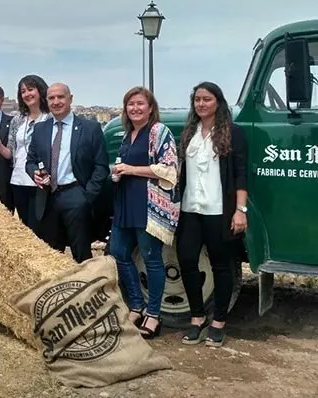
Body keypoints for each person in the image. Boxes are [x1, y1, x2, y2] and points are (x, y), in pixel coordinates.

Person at [177, 82, 248, 347]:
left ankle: (218, 321)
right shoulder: (189, 134)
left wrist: (240, 211)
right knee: (186, 260)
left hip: (219, 210)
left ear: (218, 102)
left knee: (221, 265)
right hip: (190, 208)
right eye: (197, 100)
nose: (201, 104)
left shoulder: (232, 133)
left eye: (206, 99)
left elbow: (241, 174)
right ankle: (197, 316)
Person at [110, 86, 178, 339]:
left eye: (140, 103)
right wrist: (118, 172)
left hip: (149, 206)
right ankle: (136, 304)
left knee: (152, 259)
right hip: (126, 201)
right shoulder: (128, 134)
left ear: (150, 107)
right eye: (131, 104)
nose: (135, 108)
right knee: (118, 252)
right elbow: (123, 165)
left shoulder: (159, 131)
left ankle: (153, 315)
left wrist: (130, 169)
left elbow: (170, 169)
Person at [26, 83, 109, 263]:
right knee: (50, 257)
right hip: (47, 198)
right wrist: (34, 173)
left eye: (61, 97)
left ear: (70, 99)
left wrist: (87, 197)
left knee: (82, 256)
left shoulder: (90, 128)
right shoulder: (40, 129)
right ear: (46, 101)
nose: (56, 102)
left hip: (77, 196)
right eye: (51, 98)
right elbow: (30, 161)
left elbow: (101, 167)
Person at [0, 75, 50, 227]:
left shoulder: (50, 118)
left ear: (40, 91)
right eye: (23, 91)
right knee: (25, 226)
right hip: (18, 180)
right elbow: (11, 153)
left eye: (30, 89)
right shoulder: (17, 120)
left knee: (40, 226)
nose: (27, 94)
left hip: (40, 181)